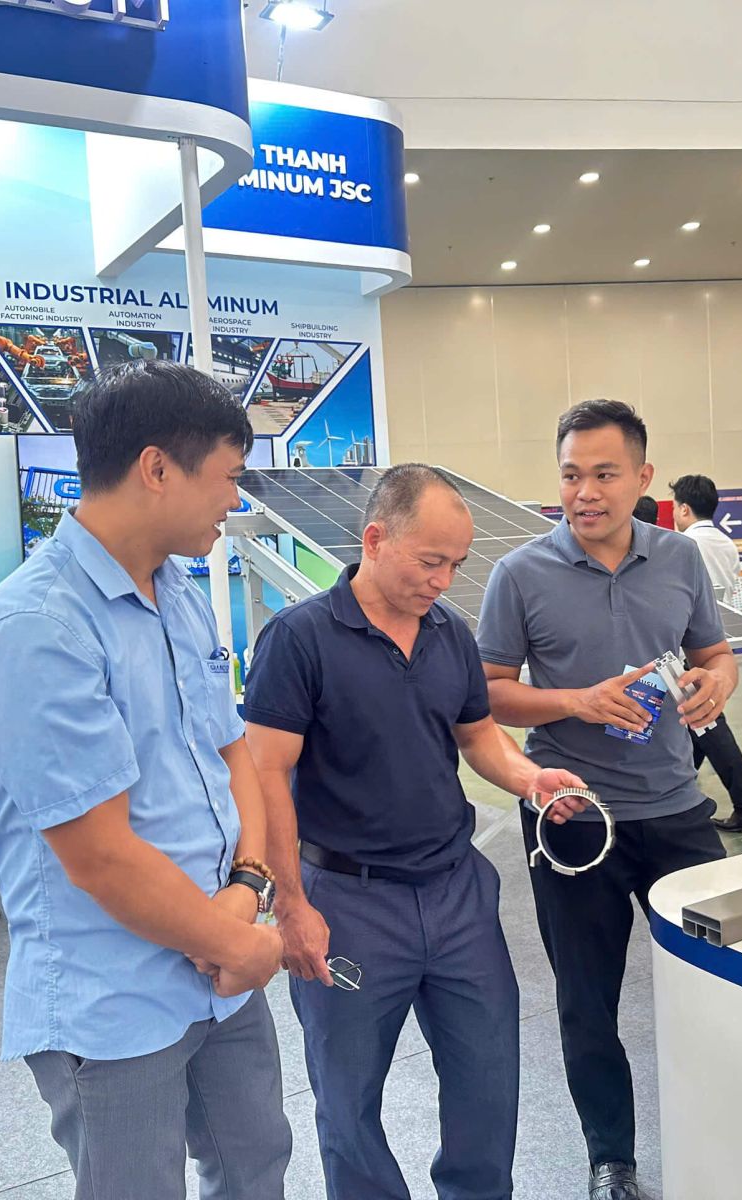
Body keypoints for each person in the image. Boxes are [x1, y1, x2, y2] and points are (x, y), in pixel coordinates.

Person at [0, 362, 291, 1200]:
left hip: (222, 971)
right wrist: (235, 941)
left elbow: (230, 753)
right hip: (115, 998)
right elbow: (100, 855)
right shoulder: (38, 628)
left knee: (255, 1166)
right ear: (157, 468)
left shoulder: (177, 593)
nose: (234, 500)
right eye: (228, 478)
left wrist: (248, 887)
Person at [243, 465, 588, 1200]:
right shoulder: (299, 639)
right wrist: (290, 905)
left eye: (456, 564)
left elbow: (478, 734)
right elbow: (266, 777)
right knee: (348, 1099)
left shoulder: (449, 634)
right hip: (348, 903)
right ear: (375, 540)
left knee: (487, 1080)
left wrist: (530, 779)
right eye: (431, 561)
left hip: (457, 895)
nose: (444, 580)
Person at [476, 399, 737, 1200]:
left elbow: (716, 652)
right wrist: (576, 702)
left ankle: (730, 1130)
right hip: (572, 818)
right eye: (570, 476)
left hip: (676, 810)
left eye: (603, 474)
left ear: (643, 477)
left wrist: (717, 683)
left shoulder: (680, 560)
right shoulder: (520, 575)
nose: (584, 493)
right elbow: (487, 693)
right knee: (586, 1002)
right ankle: (610, 1158)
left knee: (721, 979)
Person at [668, 472, 742, 831]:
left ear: (684, 509)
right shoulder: (726, 543)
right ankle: (681, 791)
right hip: (717, 643)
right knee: (698, 725)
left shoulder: (684, 546)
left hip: (690, 650)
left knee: (706, 724)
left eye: (675, 507)